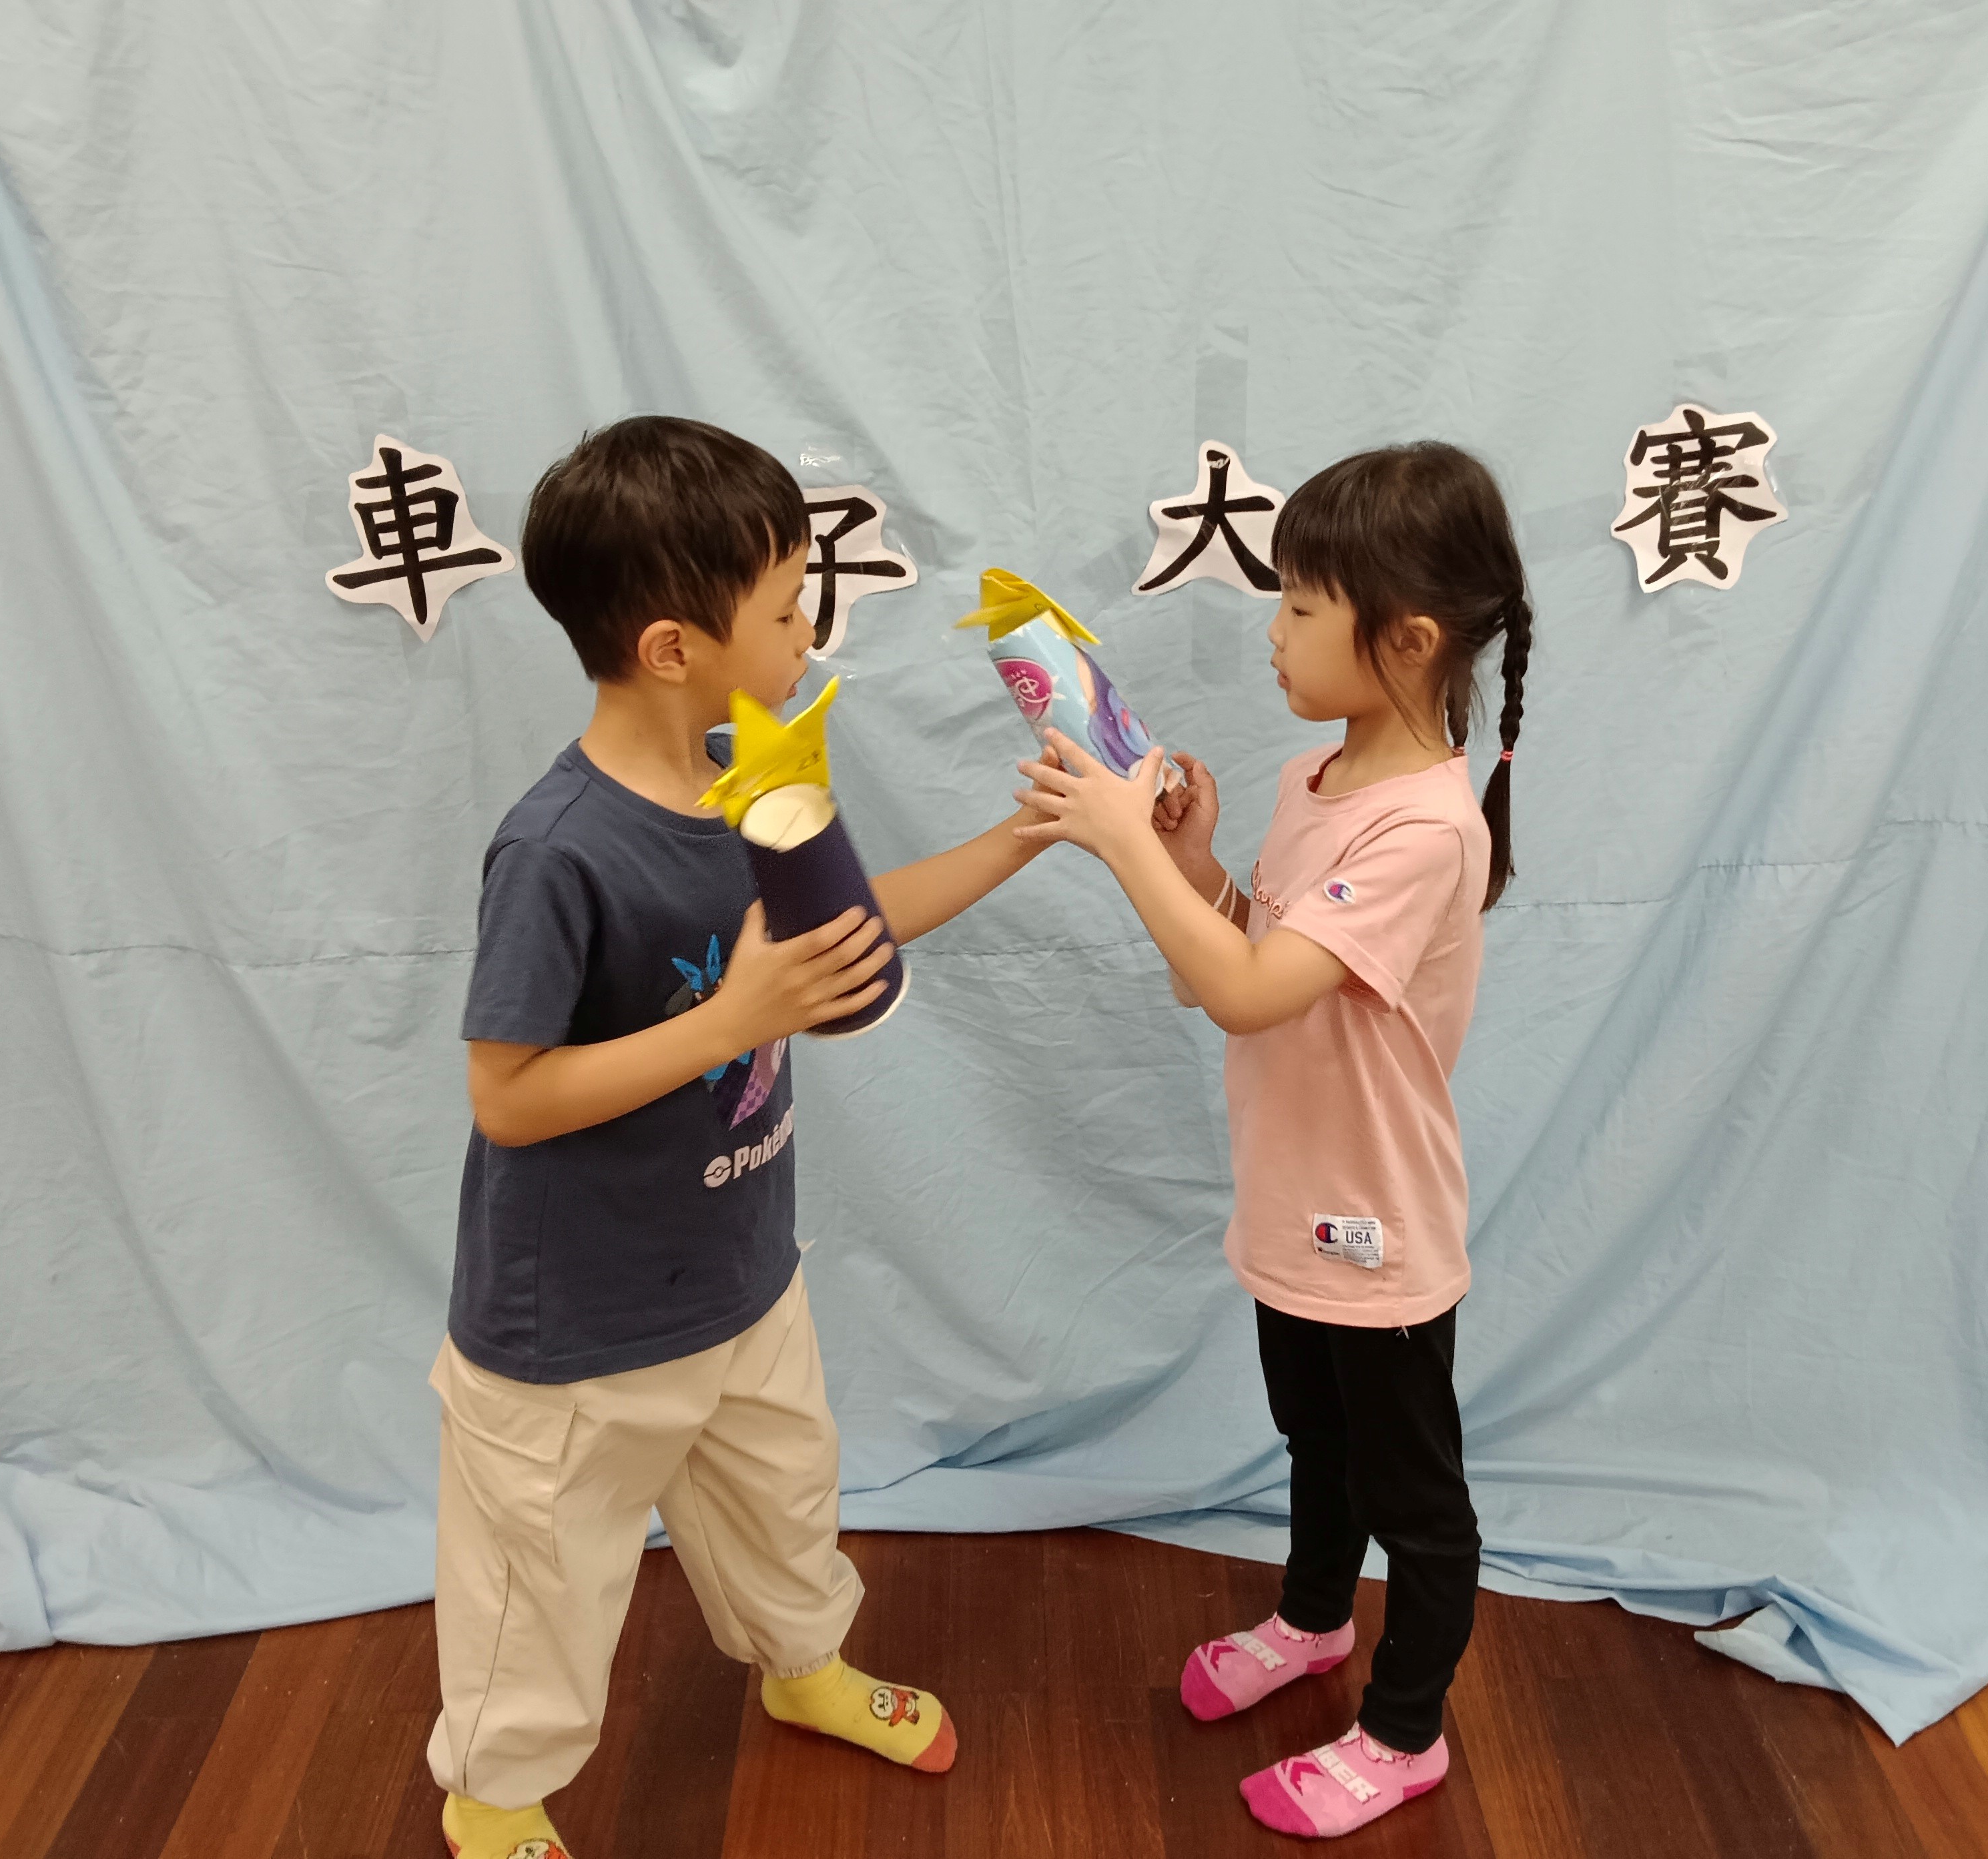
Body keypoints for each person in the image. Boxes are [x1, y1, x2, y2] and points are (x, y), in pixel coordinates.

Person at [432, 416, 1044, 1859]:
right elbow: (506, 1097)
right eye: (782, 609)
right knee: (541, 1578)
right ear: (671, 647)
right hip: (573, 1331)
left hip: (742, 1272)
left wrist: (1032, 836)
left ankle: (802, 1666)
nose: (807, 632)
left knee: (784, 1504)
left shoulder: (750, 777)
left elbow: (847, 933)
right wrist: (731, 1020)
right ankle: (494, 1795)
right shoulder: (556, 848)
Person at [1016, 441, 1530, 1840]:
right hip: (1291, 1199)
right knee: (1315, 1437)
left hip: (1376, 1225)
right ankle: (1313, 1620)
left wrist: (1123, 845)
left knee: (1414, 1499)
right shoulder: (1316, 780)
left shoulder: (1426, 830)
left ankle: (1406, 1732)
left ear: (1407, 638)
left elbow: (1246, 991)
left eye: (1303, 606)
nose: (1275, 632)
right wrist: (1190, 862)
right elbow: (1238, 971)